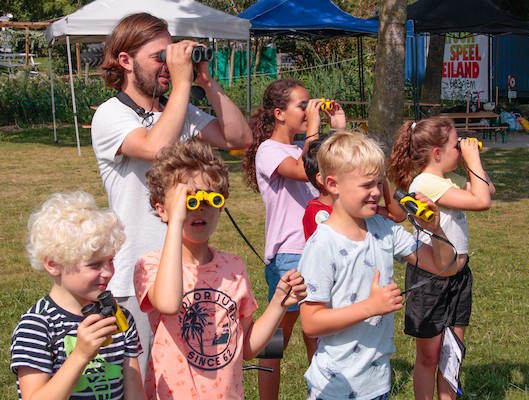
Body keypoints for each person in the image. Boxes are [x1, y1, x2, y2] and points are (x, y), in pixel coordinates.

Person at [91, 12, 251, 377]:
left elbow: (239, 139)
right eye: (159, 57)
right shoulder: (109, 114)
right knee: (143, 377)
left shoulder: (178, 112)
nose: (168, 66)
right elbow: (157, 146)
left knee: (187, 375)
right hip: (136, 276)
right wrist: (181, 86)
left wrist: (207, 83)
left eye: (172, 55)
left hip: (191, 270)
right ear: (125, 61)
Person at [133, 138, 307, 399]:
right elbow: (169, 304)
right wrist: (177, 219)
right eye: (189, 200)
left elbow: (246, 347)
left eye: (210, 199)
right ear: (162, 210)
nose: (199, 207)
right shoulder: (151, 264)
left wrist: (278, 304)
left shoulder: (233, 266)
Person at [298, 131, 455, 400]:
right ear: (333, 184)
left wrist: (435, 229)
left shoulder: (383, 230)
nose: (377, 193)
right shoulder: (322, 244)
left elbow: (444, 265)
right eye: (367, 185)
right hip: (335, 387)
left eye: (380, 183)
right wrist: (370, 307)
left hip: (378, 383)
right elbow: (311, 323)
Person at [242, 79, 347, 399]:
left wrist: (338, 132)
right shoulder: (269, 150)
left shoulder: (303, 146)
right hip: (289, 254)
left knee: (319, 334)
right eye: (302, 105)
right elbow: (305, 170)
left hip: (321, 248)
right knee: (276, 339)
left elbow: (337, 173)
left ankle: (325, 393)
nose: (308, 110)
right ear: (279, 113)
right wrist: (315, 129)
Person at [389, 118, 495, 400]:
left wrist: (468, 164)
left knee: (451, 356)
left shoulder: (448, 179)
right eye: (455, 145)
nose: (460, 149)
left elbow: (487, 191)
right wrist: (471, 158)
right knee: (429, 357)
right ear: (437, 153)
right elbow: (481, 201)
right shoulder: (425, 182)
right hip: (431, 281)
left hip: (458, 278)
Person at [10, 192, 144, 400]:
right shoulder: (37, 326)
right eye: (94, 264)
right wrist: (80, 355)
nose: (108, 272)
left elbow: (134, 387)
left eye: (110, 261)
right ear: (53, 264)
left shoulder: (119, 318)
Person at [302, 139, 407, 240]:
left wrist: (380, 177)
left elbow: (397, 216)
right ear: (327, 181)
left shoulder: (358, 206)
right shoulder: (317, 213)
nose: (375, 191)